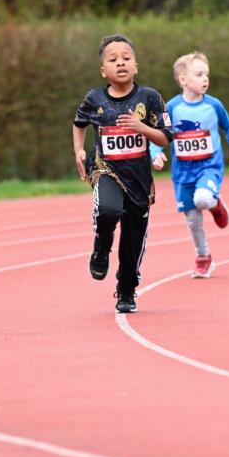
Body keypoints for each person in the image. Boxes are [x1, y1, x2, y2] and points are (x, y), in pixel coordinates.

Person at [73, 34, 171, 313]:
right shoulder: (94, 98)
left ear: (136, 66)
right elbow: (78, 123)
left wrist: (142, 128)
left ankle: (126, 288)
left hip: (138, 178)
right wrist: (79, 150)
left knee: (133, 238)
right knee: (108, 210)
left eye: (126, 58)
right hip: (106, 169)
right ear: (103, 70)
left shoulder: (150, 97)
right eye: (113, 59)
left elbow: (166, 137)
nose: (120, 63)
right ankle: (102, 245)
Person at [151, 51, 229, 277]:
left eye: (207, 74)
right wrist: (155, 153)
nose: (205, 78)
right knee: (193, 219)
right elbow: (158, 133)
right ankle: (203, 257)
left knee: (203, 199)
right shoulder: (172, 107)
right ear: (183, 79)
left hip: (209, 166)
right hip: (183, 171)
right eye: (199, 74)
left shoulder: (214, 105)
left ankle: (215, 204)